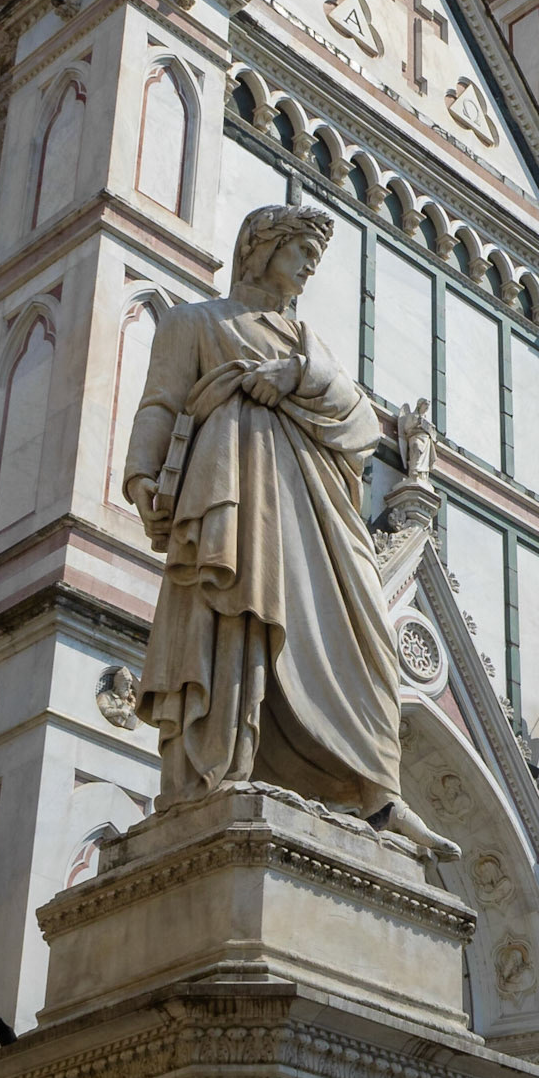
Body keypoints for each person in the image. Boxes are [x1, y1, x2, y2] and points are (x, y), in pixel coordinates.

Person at [124, 201, 454, 855]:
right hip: (234, 501)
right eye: (300, 253)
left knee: (367, 643)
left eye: (314, 260)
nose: (308, 270)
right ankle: (225, 770)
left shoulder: (309, 349)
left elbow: (360, 426)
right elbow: (159, 402)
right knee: (236, 625)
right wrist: (140, 478)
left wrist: (295, 375)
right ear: (260, 248)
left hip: (316, 525)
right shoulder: (197, 323)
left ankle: (376, 795)